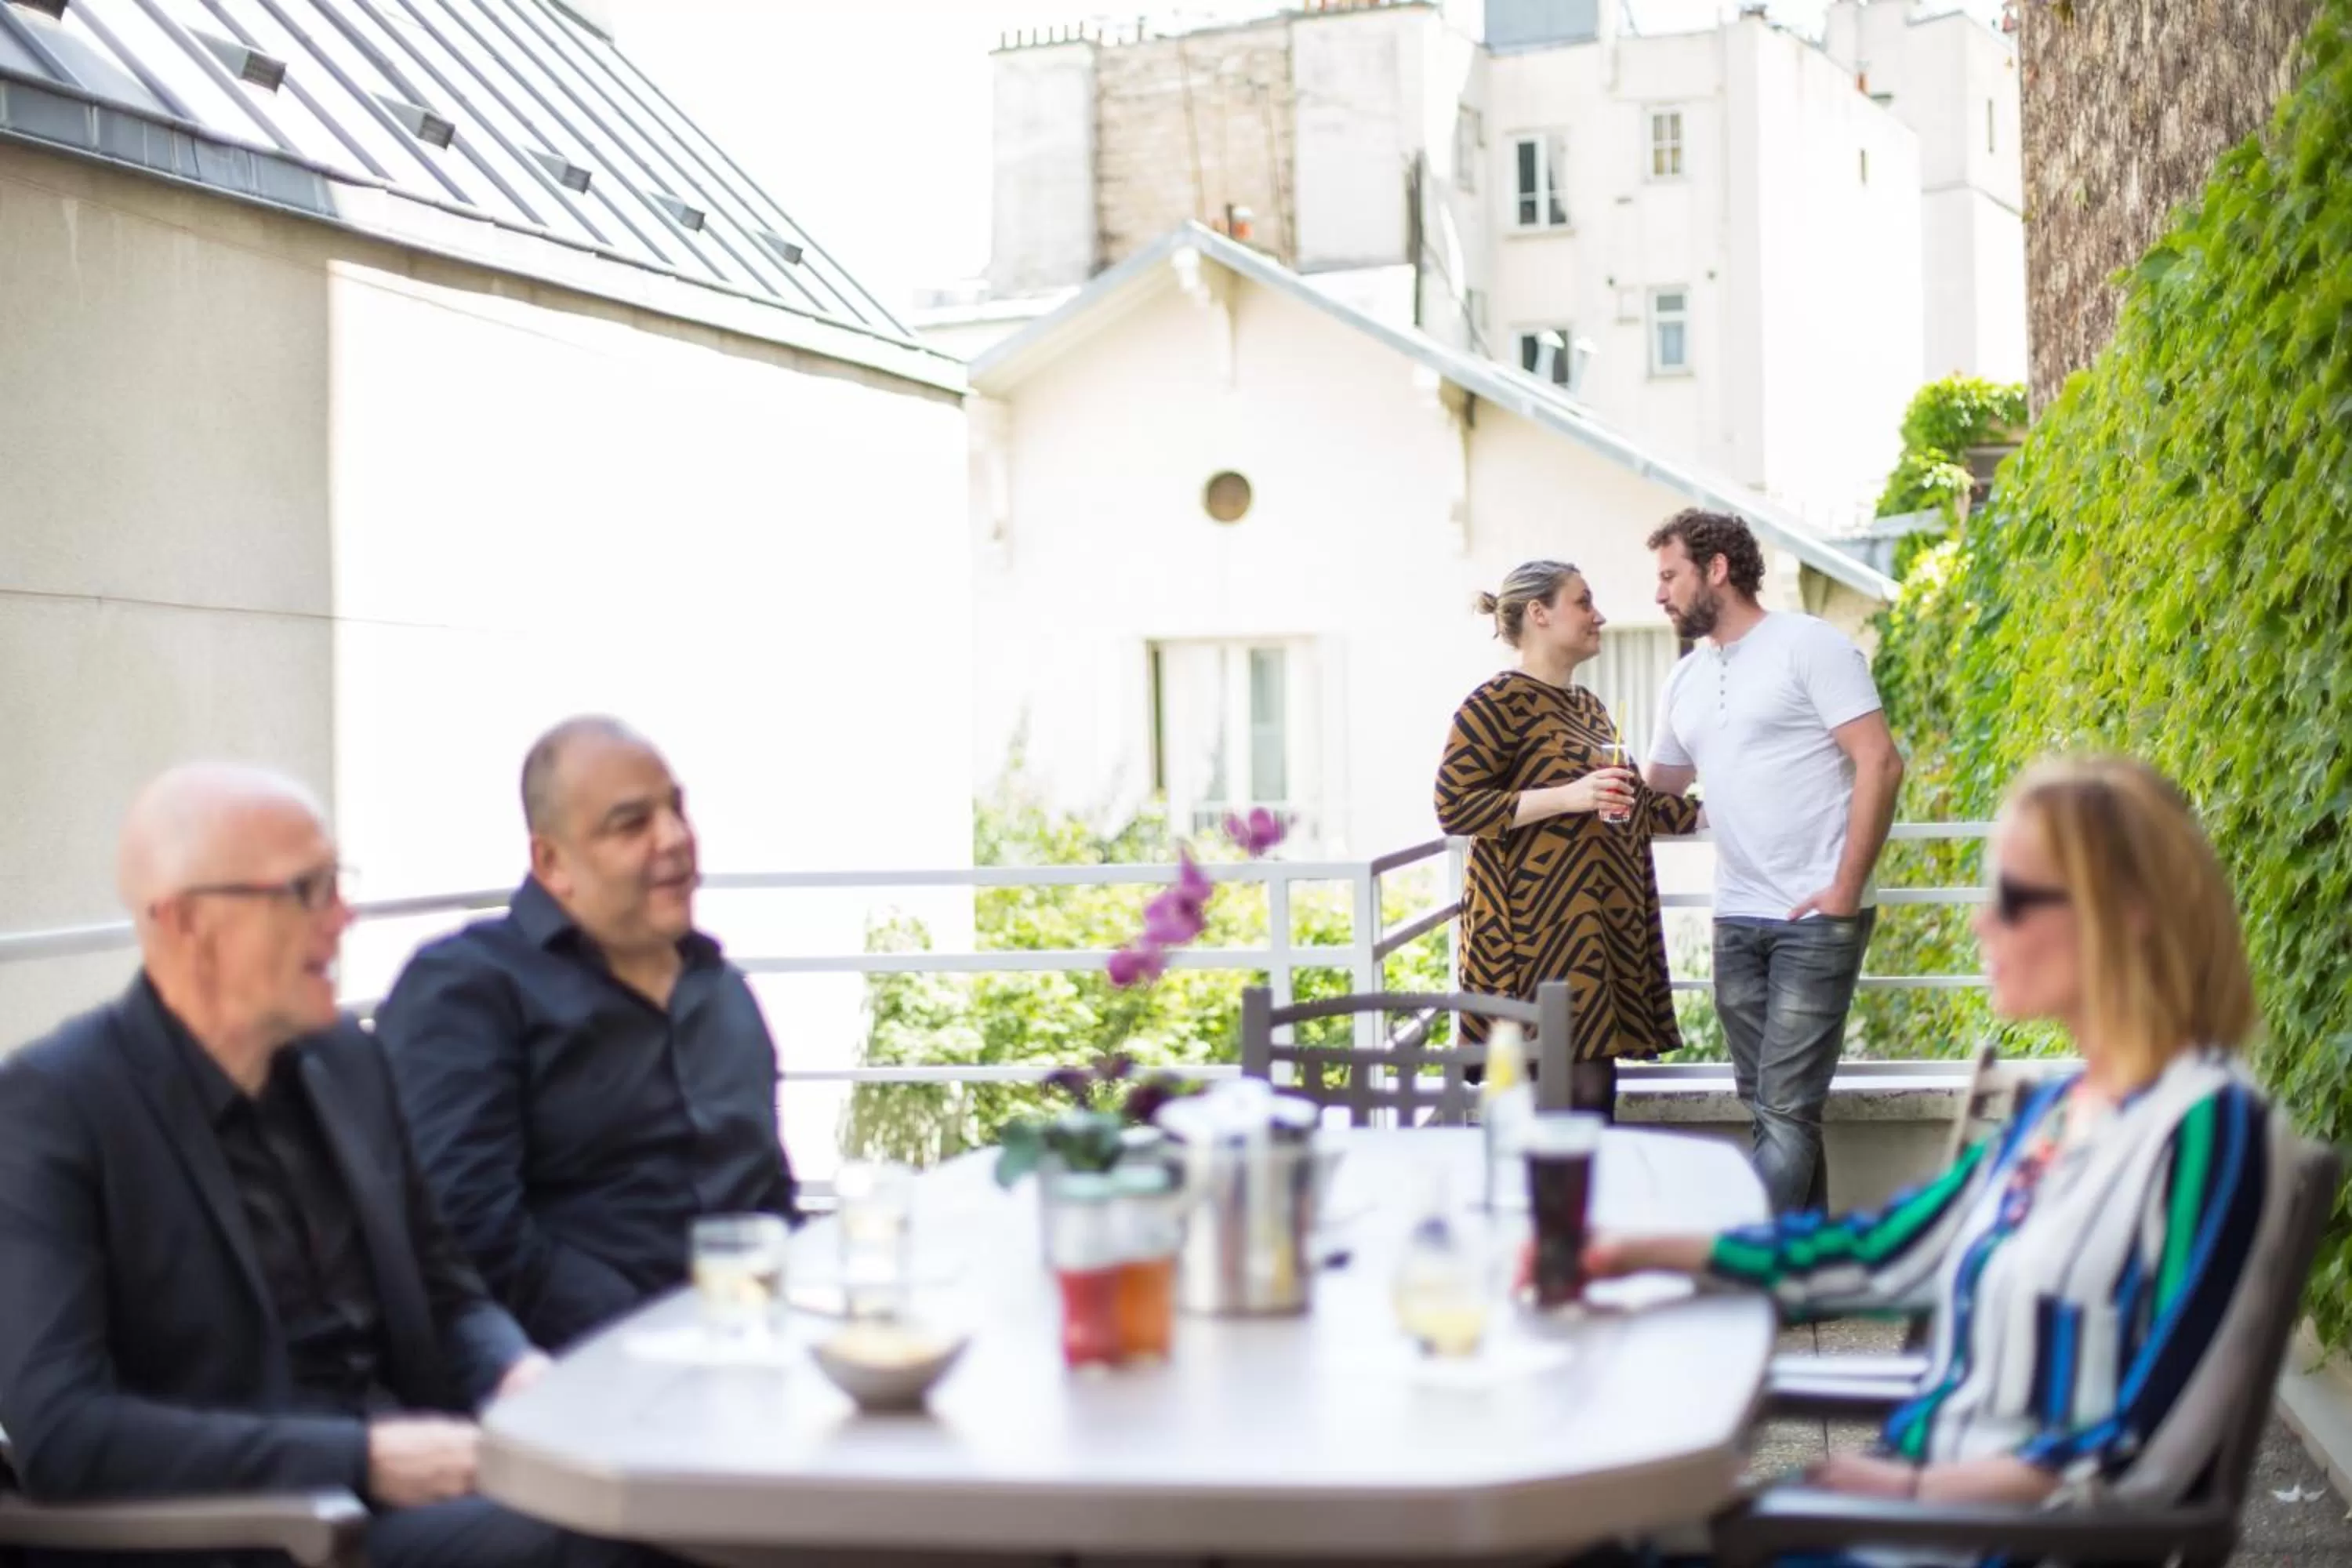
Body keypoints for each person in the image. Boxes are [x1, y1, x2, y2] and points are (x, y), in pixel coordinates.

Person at [1586, 756, 2296, 1536]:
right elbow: (1884, 1249)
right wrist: (1638, 1249)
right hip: (1887, 1513)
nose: (1979, 920)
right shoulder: (2061, 1107)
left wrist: (1911, 1492)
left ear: (2124, 912)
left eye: (2015, 897)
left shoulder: (2208, 1127)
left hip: (1962, 1541)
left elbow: (2145, 1447)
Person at [0, 764, 654, 1567]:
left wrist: (516, 1372)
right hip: (251, 1532)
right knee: (617, 1536)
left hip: (418, 1495)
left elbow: (449, 1295)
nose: (343, 917)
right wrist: (361, 1457)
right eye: (304, 890)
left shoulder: (348, 1061)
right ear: (185, 922)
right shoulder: (53, 1105)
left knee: (679, 1497)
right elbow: (65, 1433)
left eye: (336, 882)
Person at [376, 717, 798, 1352]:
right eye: (632, 825)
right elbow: (462, 1231)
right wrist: (656, 1336)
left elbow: (766, 1201)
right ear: (552, 862)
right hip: (558, 1383)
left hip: (753, 1351)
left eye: (677, 810)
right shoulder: (468, 989)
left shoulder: (723, 992)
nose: (677, 839)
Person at [1644, 509, 1905, 1211]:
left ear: (1718, 569)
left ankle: (1750, 1272)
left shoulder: (1808, 646)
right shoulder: (1685, 680)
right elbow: (1657, 793)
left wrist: (1845, 890)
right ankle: (1806, 1276)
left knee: (1784, 1108)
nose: (1659, 594)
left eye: (1670, 575)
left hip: (1817, 914)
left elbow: (1880, 762)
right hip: (1737, 914)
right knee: (1772, 1106)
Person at [1436, 560, 1701, 1113]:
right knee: (1560, 1099)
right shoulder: (1494, 704)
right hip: (1532, 937)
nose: (1599, 616)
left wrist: (1723, 812)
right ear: (1539, 613)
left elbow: (1633, 802)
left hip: (1598, 931)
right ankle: (1552, 1200)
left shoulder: (1588, 707)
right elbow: (1455, 805)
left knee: (1592, 1092)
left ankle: (1576, 1199)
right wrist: (1571, 796)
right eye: (1583, 602)